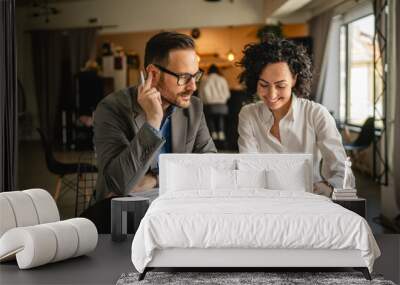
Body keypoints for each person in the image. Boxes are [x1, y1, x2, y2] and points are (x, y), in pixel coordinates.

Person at [93, 32, 217, 203]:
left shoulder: (193, 108)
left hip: (176, 207)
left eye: (195, 76)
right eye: (183, 77)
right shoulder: (112, 108)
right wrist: (153, 121)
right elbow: (119, 184)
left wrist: (156, 180)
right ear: (153, 73)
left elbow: (211, 167)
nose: (193, 87)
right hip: (123, 215)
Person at [237, 36, 355, 197]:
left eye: (280, 85)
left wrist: (329, 187)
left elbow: (342, 172)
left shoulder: (316, 114)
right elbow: (249, 168)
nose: (272, 94)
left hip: (310, 198)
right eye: (264, 85)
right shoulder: (248, 115)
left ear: (294, 79)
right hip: (265, 199)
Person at [199, 64, 230, 142]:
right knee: (220, 118)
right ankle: (221, 134)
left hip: (209, 105)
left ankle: (213, 136)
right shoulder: (222, 79)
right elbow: (227, 94)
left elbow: (201, 93)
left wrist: (205, 101)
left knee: (210, 119)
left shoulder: (205, 79)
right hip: (222, 105)